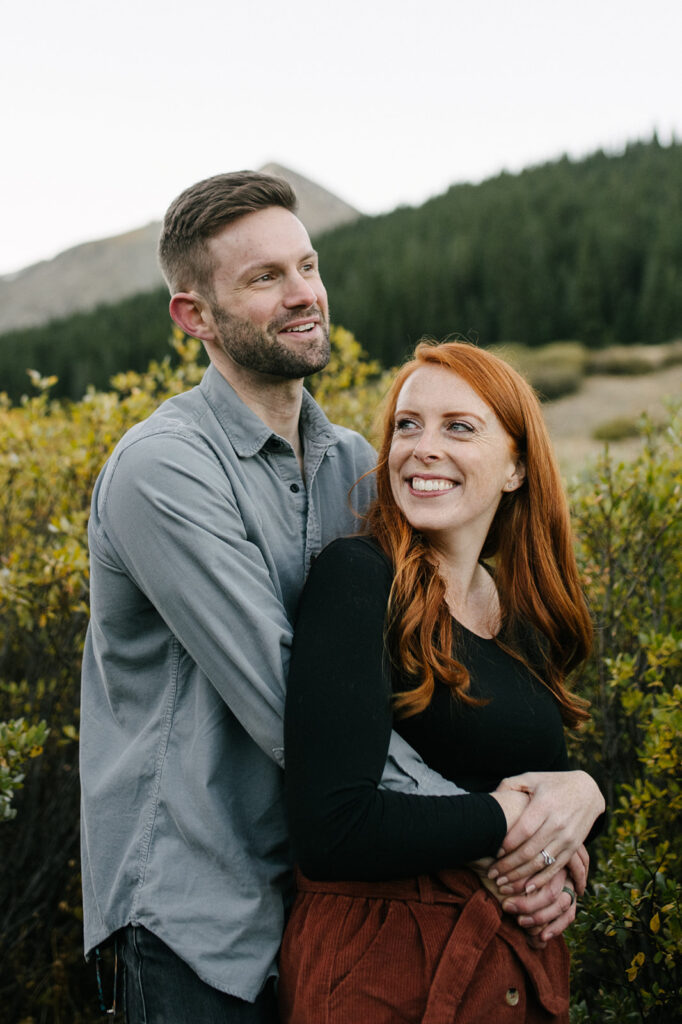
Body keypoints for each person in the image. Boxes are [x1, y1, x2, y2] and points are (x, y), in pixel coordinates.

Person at [80, 171, 596, 1023]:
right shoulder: (163, 470)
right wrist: (507, 831)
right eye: (262, 278)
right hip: (192, 914)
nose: (301, 295)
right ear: (193, 317)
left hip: (333, 903)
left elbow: (411, 681)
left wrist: (572, 796)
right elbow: (287, 697)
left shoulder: (356, 461)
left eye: (307, 265)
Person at [279, 340, 605, 1023]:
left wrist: (581, 809)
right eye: (407, 425)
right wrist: (507, 819)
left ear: (516, 466)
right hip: (383, 970)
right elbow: (333, 826)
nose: (423, 447)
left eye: (459, 427)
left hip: (511, 972)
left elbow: (534, 779)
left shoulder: (521, 613)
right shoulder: (359, 579)